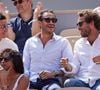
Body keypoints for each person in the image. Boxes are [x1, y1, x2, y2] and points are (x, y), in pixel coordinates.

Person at [23, 9, 73, 90]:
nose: (51, 23)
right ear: (40, 22)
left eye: (54, 20)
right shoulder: (30, 42)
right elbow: (25, 66)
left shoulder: (63, 42)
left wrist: (53, 74)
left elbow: (70, 69)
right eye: (47, 20)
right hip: (32, 81)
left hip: (52, 81)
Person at [61, 10, 100, 90]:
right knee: (68, 83)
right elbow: (75, 67)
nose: (78, 28)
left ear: (91, 23)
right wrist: (67, 66)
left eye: (80, 24)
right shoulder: (79, 43)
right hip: (83, 80)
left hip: (98, 80)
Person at [0, 13, 19, 90]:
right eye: (2, 27)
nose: (5, 29)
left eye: (6, 26)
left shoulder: (11, 45)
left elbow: (17, 68)